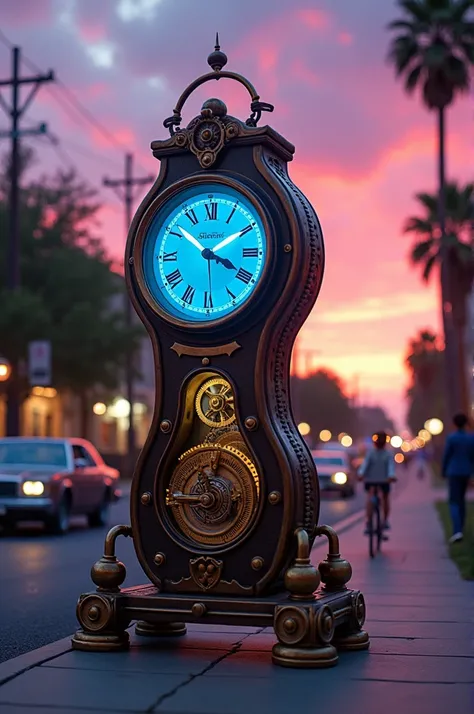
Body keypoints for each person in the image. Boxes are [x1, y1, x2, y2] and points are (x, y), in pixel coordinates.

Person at [442, 413, 474, 544]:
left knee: (454, 501)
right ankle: (461, 528)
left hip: (453, 472)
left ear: (454, 423)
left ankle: (457, 531)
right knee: (462, 501)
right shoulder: (471, 438)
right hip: (466, 472)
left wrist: (443, 471)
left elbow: (446, 456)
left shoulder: (452, 438)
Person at [358, 431, 396, 535]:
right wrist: (361, 474)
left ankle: (385, 520)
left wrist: (391, 476)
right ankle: (369, 522)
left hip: (384, 480)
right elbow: (365, 465)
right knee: (371, 497)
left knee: (385, 498)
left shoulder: (387, 454)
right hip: (372, 480)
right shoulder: (371, 453)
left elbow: (390, 466)